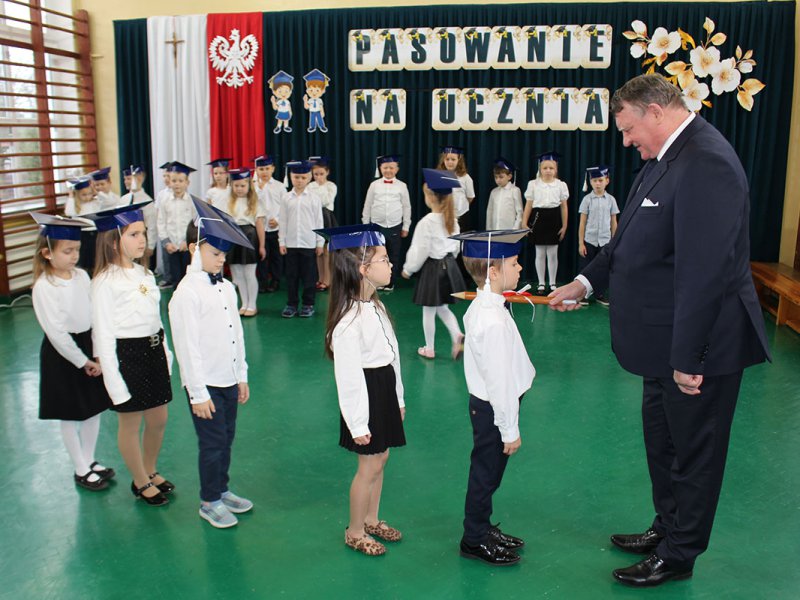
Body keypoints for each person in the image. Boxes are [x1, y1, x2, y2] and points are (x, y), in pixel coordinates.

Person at [550, 74, 770, 587]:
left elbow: (705, 272)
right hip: (663, 342)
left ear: (655, 111)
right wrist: (585, 281)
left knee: (694, 453)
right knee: (663, 444)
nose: (627, 141)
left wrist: (689, 358)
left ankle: (680, 553)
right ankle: (668, 527)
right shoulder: (665, 158)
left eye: (629, 129)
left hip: (700, 347)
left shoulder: (707, 162)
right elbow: (629, 240)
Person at [320, 223, 407, 557]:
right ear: (363, 269)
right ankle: (355, 531)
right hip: (365, 396)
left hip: (383, 388)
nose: (390, 264)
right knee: (368, 466)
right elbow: (349, 379)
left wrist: (398, 398)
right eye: (384, 259)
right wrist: (357, 423)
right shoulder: (348, 322)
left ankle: (371, 518)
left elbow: (393, 357)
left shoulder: (376, 306)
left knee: (381, 457)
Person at [169, 200, 255, 528]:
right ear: (194, 249)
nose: (221, 260)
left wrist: (241, 375)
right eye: (215, 253)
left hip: (228, 379)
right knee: (212, 444)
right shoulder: (186, 294)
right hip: (205, 385)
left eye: (224, 255)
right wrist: (197, 393)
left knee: (227, 438)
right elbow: (187, 348)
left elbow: (237, 335)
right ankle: (209, 500)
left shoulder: (227, 288)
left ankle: (222, 489)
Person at [453, 229, 535, 566]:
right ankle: (474, 539)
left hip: (493, 406)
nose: (520, 268)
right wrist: (509, 428)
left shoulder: (486, 306)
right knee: (486, 475)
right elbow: (499, 381)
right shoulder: (491, 320)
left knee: (489, 473)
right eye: (514, 263)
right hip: (495, 409)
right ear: (493, 272)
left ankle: (483, 527)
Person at [86, 202, 175, 507]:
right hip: (127, 356)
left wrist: (166, 353)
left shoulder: (144, 273)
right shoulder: (104, 282)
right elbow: (102, 335)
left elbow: (156, 318)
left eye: (143, 233)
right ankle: (140, 480)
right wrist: (114, 382)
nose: (142, 240)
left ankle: (150, 469)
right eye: (134, 234)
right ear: (114, 241)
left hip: (153, 351)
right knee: (131, 423)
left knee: (159, 418)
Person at [30, 213, 114, 491]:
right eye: (67, 251)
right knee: (70, 412)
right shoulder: (44, 286)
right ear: (47, 253)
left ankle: (89, 459)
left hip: (88, 344)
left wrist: (98, 352)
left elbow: (94, 314)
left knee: (93, 408)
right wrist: (82, 361)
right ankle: (79, 467)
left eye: (76, 250)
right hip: (63, 354)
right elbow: (56, 332)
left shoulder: (81, 275)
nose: (74, 256)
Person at [401, 169, 465, 360]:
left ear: (430, 197)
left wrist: (408, 269)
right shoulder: (453, 221)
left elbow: (420, 249)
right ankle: (457, 335)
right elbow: (456, 247)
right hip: (450, 267)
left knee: (428, 310)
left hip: (433, 270)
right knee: (442, 307)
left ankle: (429, 348)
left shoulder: (426, 222)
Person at [278, 160, 324, 318]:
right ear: (291, 177)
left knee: (309, 277)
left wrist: (319, 243)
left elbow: (319, 221)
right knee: (291, 277)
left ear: (309, 178)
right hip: (291, 244)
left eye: (303, 177)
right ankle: (291, 304)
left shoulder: (314, 198)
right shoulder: (286, 198)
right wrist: (282, 241)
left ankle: (308, 304)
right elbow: (283, 221)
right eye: (296, 177)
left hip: (308, 243)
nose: (299, 180)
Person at [362, 154, 411, 291]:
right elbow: (367, 205)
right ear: (380, 168)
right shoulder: (374, 185)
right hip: (376, 226)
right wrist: (366, 225)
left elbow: (406, 207)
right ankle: (377, 280)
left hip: (395, 226)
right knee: (376, 256)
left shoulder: (402, 186)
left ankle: (390, 282)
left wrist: (406, 226)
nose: (388, 170)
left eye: (391, 167)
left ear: (397, 169)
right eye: (385, 167)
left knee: (393, 256)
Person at [521, 152, 569, 293]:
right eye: (545, 168)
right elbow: (529, 205)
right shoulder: (533, 184)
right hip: (538, 219)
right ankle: (541, 283)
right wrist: (524, 222)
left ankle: (552, 282)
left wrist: (564, 225)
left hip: (554, 219)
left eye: (551, 168)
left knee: (553, 253)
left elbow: (564, 206)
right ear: (540, 169)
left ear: (556, 169)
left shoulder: (561, 185)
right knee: (540, 253)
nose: (548, 171)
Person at [225, 168, 266, 317]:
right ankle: (244, 303)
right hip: (233, 237)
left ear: (249, 185)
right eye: (236, 186)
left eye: (242, 185)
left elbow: (260, 226)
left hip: (249, 237)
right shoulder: (228, 202)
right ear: (232, 186)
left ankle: (252, 304)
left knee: (249, 273)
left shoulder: (255, 203)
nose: (239, 189)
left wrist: (262, 246)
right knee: (237, 274)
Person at [577, 165, 618, 306]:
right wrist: (581, 243)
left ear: (607, 181)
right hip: (590, 240)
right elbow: (582, 222)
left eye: (600, 180)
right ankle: (583, 294)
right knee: (586, 268)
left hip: (605, 241)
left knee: (602, 268)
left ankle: (599, 293)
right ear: (590, 182)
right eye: (594, 181)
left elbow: (614, 222)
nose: (598, 183)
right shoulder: (587, 200)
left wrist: (614, 241)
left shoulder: (611, 200)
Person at [157, 161, 197, 288]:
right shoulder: (165, 201)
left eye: (180, 181)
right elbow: (161, 222)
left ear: (187, 183)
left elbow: (195, 223)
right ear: (169, 182)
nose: (177, 184)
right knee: (175, 279)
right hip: (172, 246)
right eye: (174, 181)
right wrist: (166, 242)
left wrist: (188, 241)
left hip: (186, 246)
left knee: (188, 277)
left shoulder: (191, 201)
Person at [253, 155, 284, 293]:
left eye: (267, 168)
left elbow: (285, 206)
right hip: (260, 229)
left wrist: (277, 219)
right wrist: (260, 189)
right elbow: (253, 204)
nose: (264, 172)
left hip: (276, 228)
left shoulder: (280, 186)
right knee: (262, 256)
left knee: (276, 257)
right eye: (261, 169)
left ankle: (276, 280)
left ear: (273, 169)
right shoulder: (253, 187)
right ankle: (262, 281)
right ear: (256, 170)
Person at [308, 155, 337, 291]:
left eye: (321, 174)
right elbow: (309, 202)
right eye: (316, 174)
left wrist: (320, 186)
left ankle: (328, 280)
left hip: (326, 218)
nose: (318, 177)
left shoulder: (331, 186)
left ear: (327, 172)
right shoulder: (309, 186)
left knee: (326, 250)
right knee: (317, 250)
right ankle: (320, 278)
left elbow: (326, 201)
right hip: (313, 218)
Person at [121, 165, 158, 270]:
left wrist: (150, 245)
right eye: (125, 179)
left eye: (129, 179)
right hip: (126, 242)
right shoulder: (123, 200)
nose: (126, 182)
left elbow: (151, 225)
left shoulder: (147, 201)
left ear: (140, 179)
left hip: (141, 241)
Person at [64, 176, 101, 272]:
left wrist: (94, 190)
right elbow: (68, 212)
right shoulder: (76, 206)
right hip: (82, 235)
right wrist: (71, 195)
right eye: (84, 195)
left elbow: (102, 201)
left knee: (95, 258)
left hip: (95, 234)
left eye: (89, 194)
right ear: (77, 195)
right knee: (83, 259)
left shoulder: (94, 203)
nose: (87, 197)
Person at [437, 146, 475, 232]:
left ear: (459, 160)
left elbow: (470, 197)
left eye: (453, 159)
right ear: (443, 160)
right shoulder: (439, 176)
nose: (450, 162)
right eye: (447, 159)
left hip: (461, 216)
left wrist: (461, 205)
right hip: (443, 216)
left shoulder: (465, 178)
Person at [486, 158, 523, 230]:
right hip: (495, 230)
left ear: (509, 176)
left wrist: (515, 230)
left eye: (501, 177)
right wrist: (489, 230)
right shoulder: (494, 192)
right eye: (496, 177)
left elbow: (519, 212)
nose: (498, 180)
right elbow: (489, 212)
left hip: (509, 230)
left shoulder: (515, 190)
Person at [303, 69, 329, 133]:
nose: (314, 93)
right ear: (307, 90)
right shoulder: (310, 100)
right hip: (312, 112)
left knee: (320, 119)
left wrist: (322, 112)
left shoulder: (319, 100)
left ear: (322, 91)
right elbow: (307, 107)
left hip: (318, 111)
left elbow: (321, 106)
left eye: (317, 90)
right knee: (312, 120)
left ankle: (322, 126)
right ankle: (312, 127)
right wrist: (305, 100)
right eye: (311, 90)